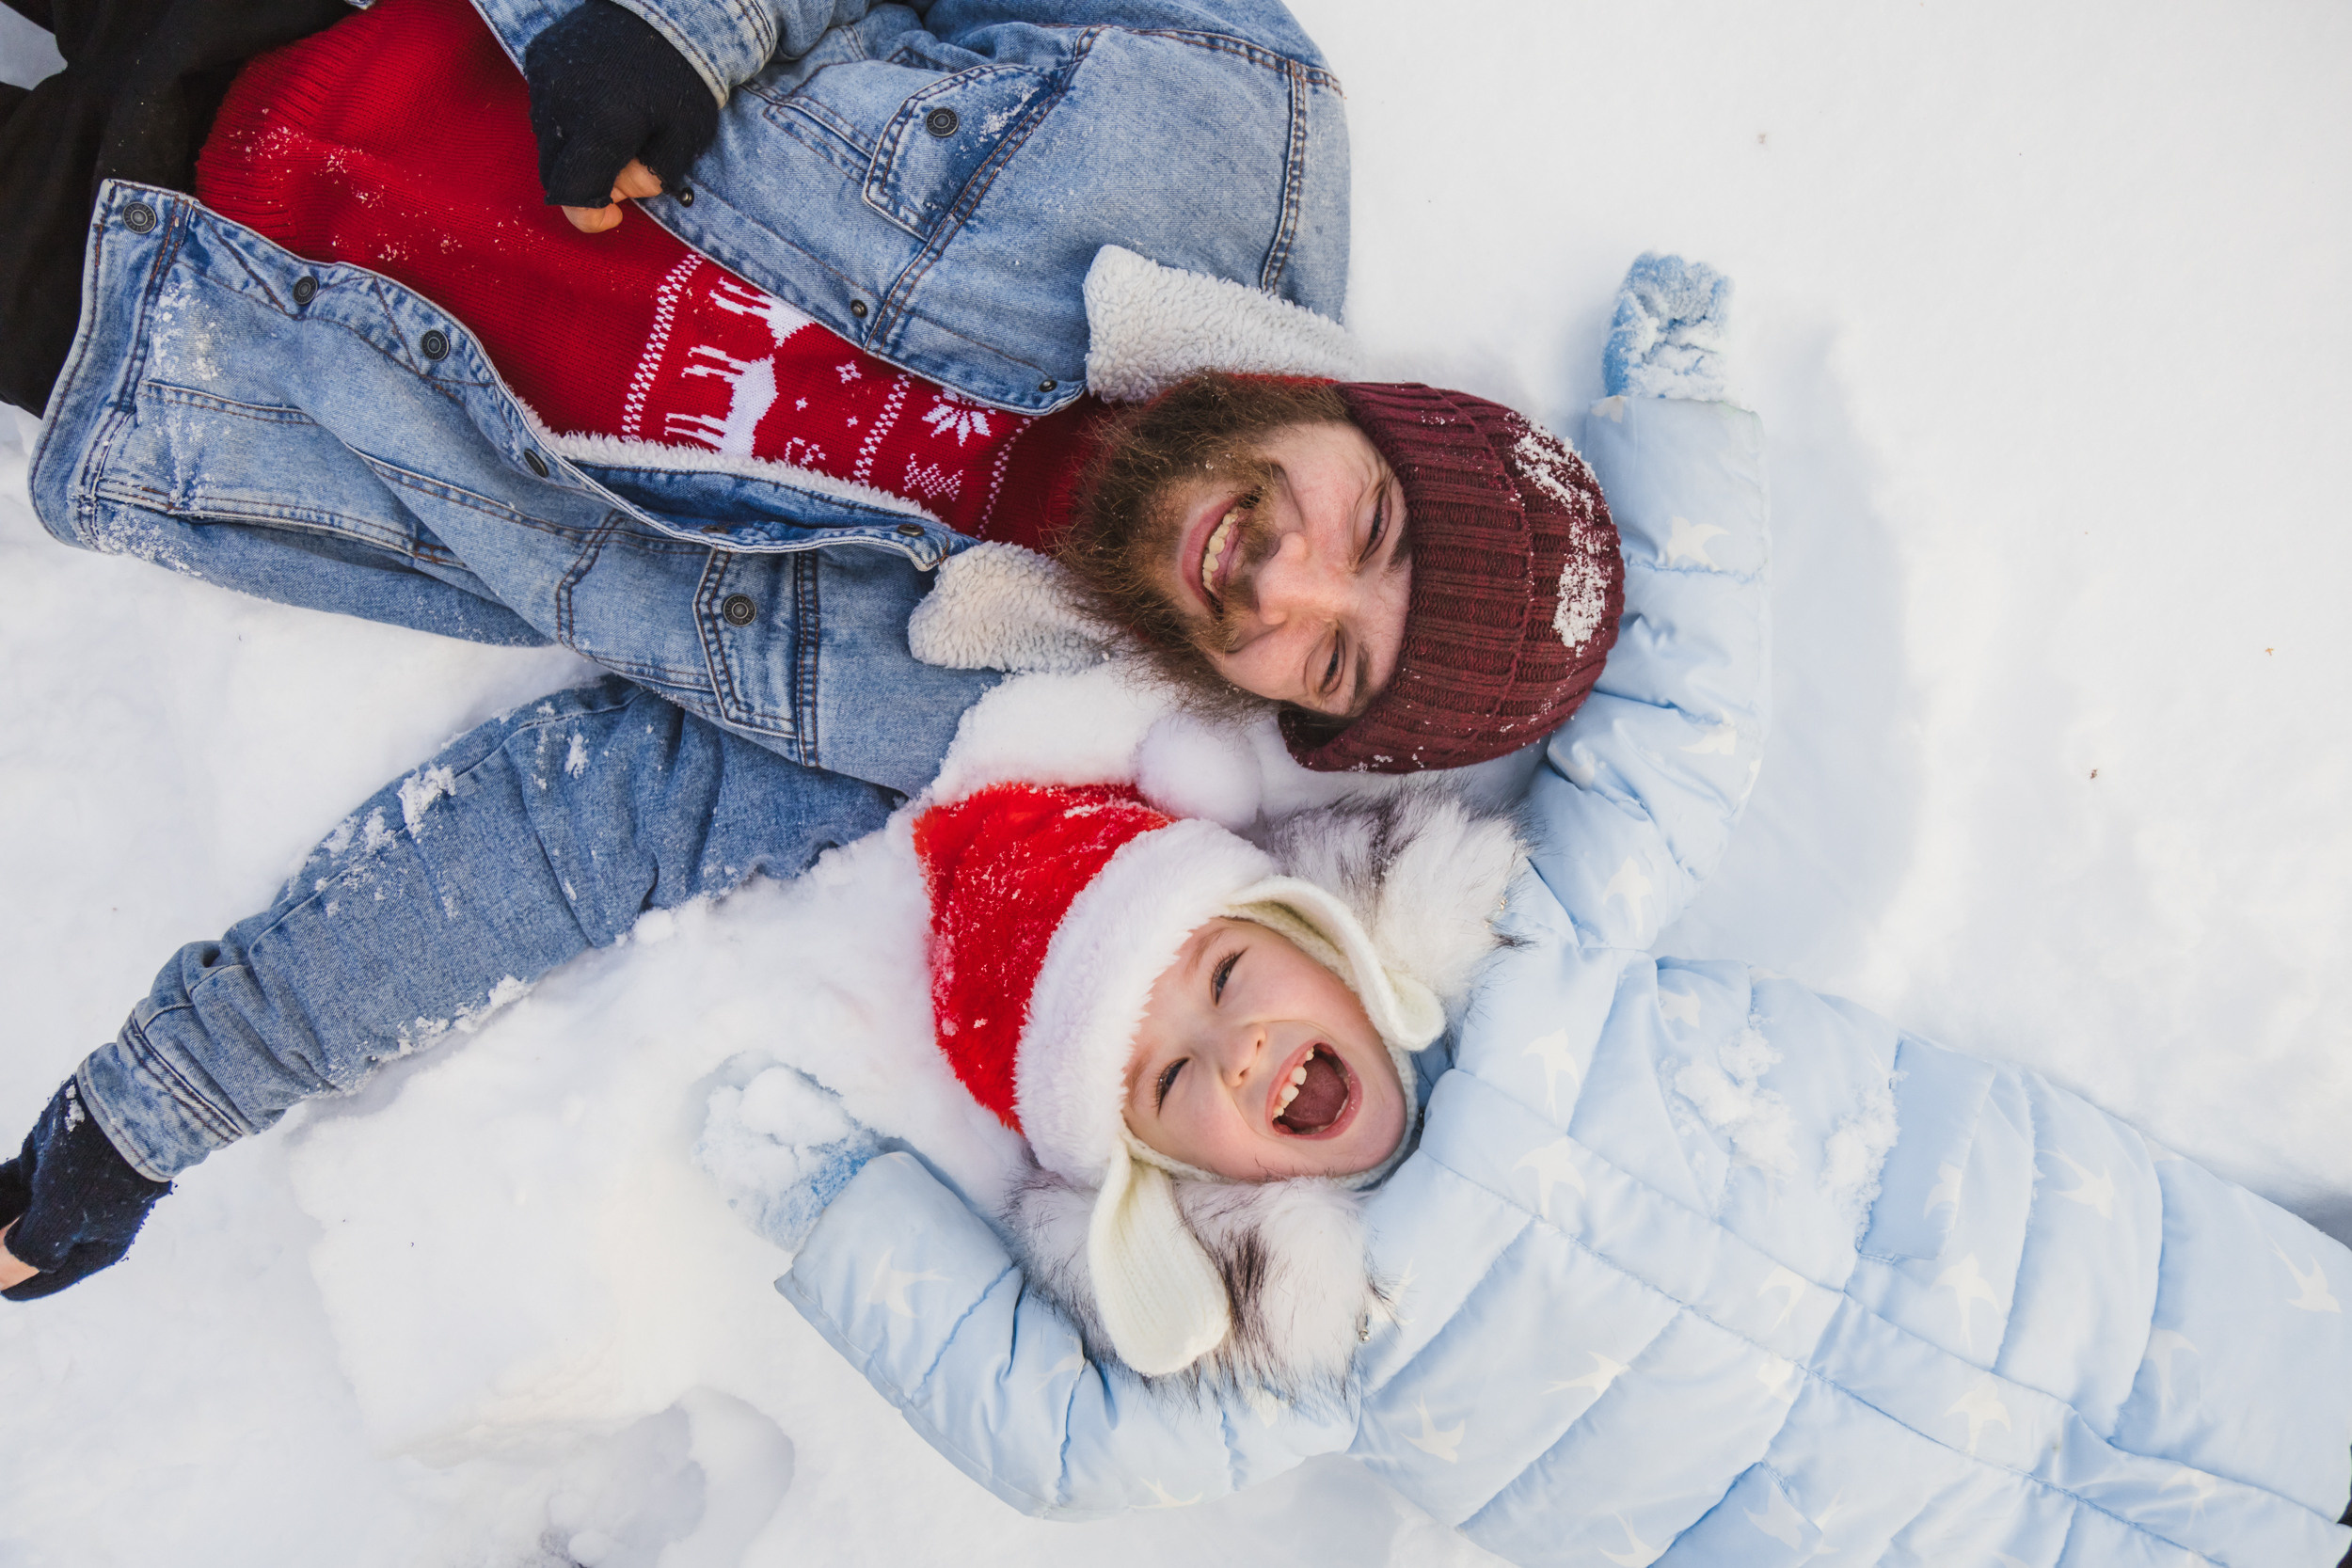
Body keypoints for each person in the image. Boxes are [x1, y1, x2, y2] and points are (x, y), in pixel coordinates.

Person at [11, 268, 2352, 1564]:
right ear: (1158, 1178)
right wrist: (834, 1205)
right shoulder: (1293, 1354)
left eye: (1223, 972)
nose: (1235, 1050)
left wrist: (1676, 437)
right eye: (1167, 1082)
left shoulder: (1546, 962)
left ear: (1331, 940)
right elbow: (1057, 1434)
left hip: (2133, 1292)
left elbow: (1682, 723)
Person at [20, 0, 1624, 795]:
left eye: (1330, 659)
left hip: (187, 338)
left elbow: (597, 831)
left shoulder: (970, 724)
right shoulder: (1235, 121)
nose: (1283, 583)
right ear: (1379, 416)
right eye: (1373, 530)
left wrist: (152, 1118)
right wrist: (685, 28)